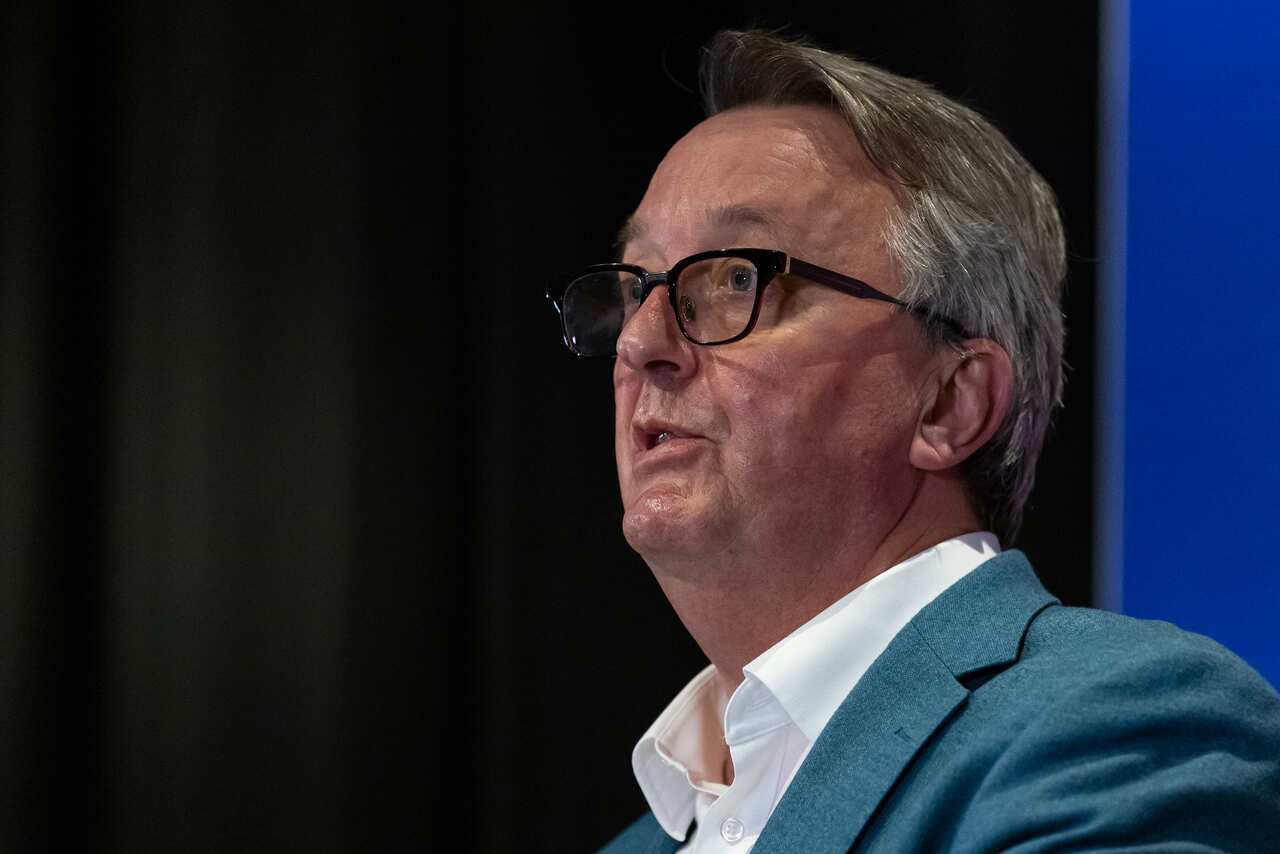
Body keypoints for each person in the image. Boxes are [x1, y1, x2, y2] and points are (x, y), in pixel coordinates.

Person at [546, 29, 1280, 853]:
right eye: (634, 285)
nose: (641, 343)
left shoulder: (1116, 725)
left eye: (735, 279)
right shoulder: (638, 844)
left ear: (950, 404)